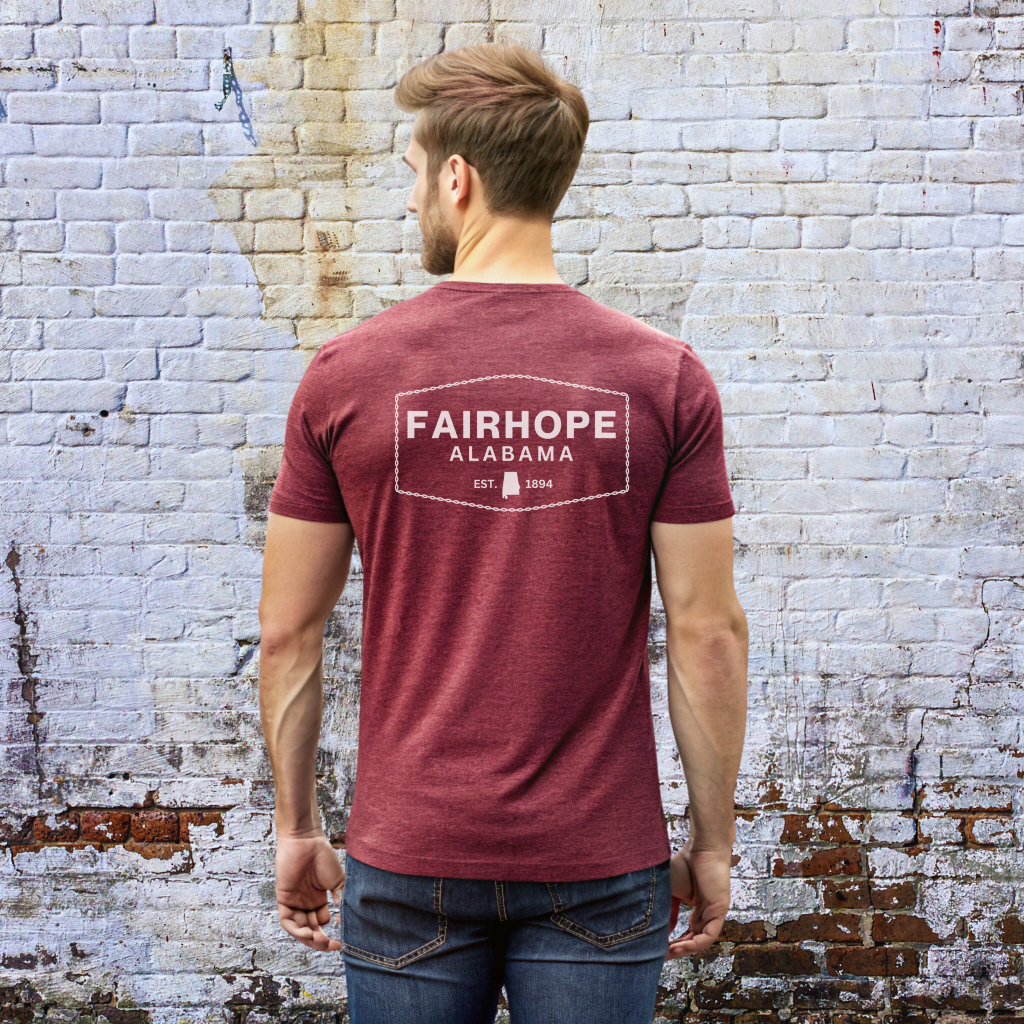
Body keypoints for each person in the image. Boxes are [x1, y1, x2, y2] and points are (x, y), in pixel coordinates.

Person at [257, 41, 748, 1024]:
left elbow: (286, 633)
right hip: (600, 859)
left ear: (456, 177)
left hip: (411, 853)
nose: (410, 206)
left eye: (411, 178)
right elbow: (706, 632)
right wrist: (712, 841)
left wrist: (296, 826)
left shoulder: (346, 376)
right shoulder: (663, 379)